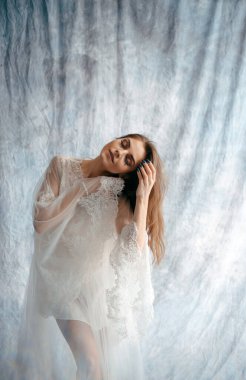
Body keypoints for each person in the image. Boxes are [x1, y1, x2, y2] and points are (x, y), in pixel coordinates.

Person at [13, 133, 167, 380]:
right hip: (62, 286)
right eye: (124, 144)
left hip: (97, 292)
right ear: (118, 139)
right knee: (90, 363)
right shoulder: (60, 165)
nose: (119, 152)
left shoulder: (117, 194)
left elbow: (133, 252)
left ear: (126, 174)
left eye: (128, 160)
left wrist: (142, 199)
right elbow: (41, 222)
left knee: (103, 370)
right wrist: (82, 187)